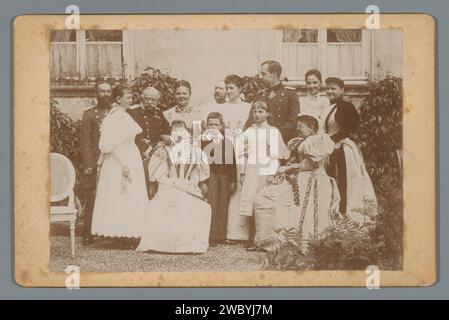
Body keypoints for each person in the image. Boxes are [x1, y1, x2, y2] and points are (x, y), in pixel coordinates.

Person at [253, 115, 340, 252]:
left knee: (269, 198)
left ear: (311, 128)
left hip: (312, 180)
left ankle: (303, 241)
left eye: (301, 127)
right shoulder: (303, 141)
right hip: (300, 178)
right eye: (297, 126)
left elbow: (312, 164)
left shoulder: (315, 140)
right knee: (265, 197)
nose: (297, 129)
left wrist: (286, 169)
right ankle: (273, 240)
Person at [136, 120, 212, 254]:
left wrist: (192, 183)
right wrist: (176, 184)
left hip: (187, 186)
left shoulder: (195, 152)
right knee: (174, 202)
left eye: (182, 132)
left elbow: (195, 172)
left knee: (202, 207)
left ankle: (190, 245)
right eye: (175, 132)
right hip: (168, 186)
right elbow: (160, 176)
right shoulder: (164, 151)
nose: (179, 136)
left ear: (188, 133)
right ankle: (165, 245)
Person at [90, 85, 148, 246]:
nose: (131, 100)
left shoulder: (124, 116)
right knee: (121, 196)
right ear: (118, 99)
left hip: (131, 155)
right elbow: (107, 145)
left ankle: (131, 233)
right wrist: (123, 164)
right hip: (119, 161)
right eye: (128, 97)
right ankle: (121, 234)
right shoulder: (113, 118)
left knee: (132, 196)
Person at [324, 77, 378, 223]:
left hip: (343, 148)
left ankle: (345, 212)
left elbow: (349, 128)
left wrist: (331, 140)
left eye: (333, 88)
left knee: (345, 179)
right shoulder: (330, 106)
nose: (329, 91)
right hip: (331, 147)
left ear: (342, 90)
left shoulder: (345, 107)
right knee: (332, 179)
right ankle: (334, 212)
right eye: (327, 88)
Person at [240, 101, 290, 250]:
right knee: (250, 201)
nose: (257, 114)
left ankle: (264, 237)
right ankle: (252, 237)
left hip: (266, 170)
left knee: (263, 202)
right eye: (255, 111)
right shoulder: (249, 130)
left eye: (261, 111)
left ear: (268, 114)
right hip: (251, 169)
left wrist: (272, 173)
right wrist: (243, 172)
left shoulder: (272, 131)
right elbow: (244, 153)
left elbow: (277, 156)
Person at [79, 81, 113, 246]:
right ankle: (87, 233)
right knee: (92, 195)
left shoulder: (116, 112)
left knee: (111, 195)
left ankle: (109, 231)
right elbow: (84, 142)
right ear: (96, 93)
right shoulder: (90, 114)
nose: (105, 94)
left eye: (108, 91)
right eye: (102, 91)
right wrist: (88, 164)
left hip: (113, 159)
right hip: (95, 160)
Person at [127, 87, 171, 199]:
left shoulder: (159, 112)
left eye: (153, 100)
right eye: (147, 99)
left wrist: (162, 141)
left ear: (157, 100)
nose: (150, 102)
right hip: (137, 154)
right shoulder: (132, 112)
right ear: (142, 98)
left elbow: (166, 132)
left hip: (156, 154)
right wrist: (145, 147)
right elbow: (128, 135)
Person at [202, 112, 237, 246]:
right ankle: (211, 235)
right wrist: (202, 181)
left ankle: (221, 235)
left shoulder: (227, 142)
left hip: (224, 177)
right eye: (210, 124)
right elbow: (199, 162)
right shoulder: (202, 142)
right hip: (210, 176)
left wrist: (233, 180)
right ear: (206, 126)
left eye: (216, 124)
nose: (213, 127)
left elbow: (232, 163)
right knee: (212, 203)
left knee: (223, 204)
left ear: (222, 126)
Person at [243, 60, 300, 143]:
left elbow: (292, 121)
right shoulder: (260, 95)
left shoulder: (290, 94)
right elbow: (251, 119)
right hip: (259, 140)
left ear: (274, 74)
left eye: (263, 74)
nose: (260, 77)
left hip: (281, 140)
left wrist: (275, 136)